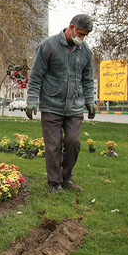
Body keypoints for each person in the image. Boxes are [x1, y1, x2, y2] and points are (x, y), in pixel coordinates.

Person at [25, 14, 96, 193]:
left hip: (74, 105)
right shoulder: (48, 46)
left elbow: (87, 79)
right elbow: (36, 76)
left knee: (73, 143)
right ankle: (54, 183)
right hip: (51, 104)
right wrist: (32, 100)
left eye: (85, 35)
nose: (82, 38)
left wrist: (89, 100)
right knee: (53, 146)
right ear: (71, 27)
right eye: (80, 33)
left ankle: (67, 177)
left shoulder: (85, 50)